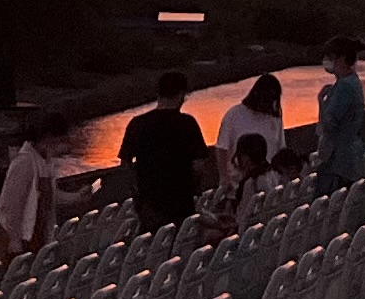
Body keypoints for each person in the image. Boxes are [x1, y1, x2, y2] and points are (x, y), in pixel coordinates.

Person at [121, 73, 211, 228]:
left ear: (159, 94)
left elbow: (125, 162)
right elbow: (199, 165)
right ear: (182, 94)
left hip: (149, 204)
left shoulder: (137, 124)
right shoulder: (187, 124)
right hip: (181, 200)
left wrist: (136, 191)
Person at [0, 109, 74, 263]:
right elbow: (12, 206)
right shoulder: (25, 162)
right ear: (48, 137)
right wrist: (15, 242)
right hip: (15, 239)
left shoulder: (46, 162)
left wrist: (76, 197)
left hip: (35, 233)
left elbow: (50, 196)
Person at [312, 36, 365, 191]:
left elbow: (330, 123)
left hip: (339, 161)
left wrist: (321, 102)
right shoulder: (353, 82)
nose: (327, 61)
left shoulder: (344, 87)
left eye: (331, 57)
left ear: (342, 59)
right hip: (351, 157)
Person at [216, 71, 290, 190]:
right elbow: (222, 148)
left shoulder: (274, 118)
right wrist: (224, 178)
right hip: (239, 182)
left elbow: (280, 148)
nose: (268, 105)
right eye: (266, 100)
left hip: (269, 181)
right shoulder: (234, 115)